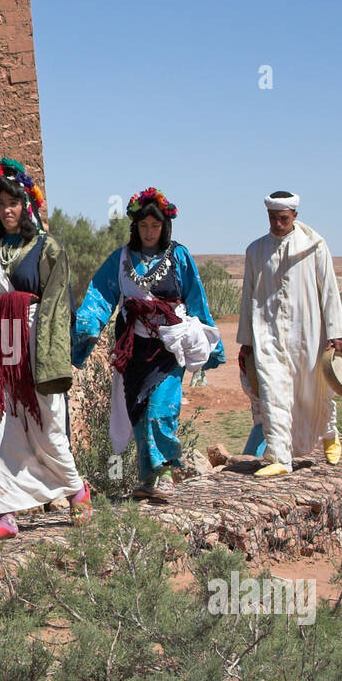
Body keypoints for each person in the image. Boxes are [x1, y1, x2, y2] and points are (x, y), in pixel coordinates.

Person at [73, 187, 224, 499]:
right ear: (135, 227)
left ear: (165, 227)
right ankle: (147, 479)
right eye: (143, 226)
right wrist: (88, 324)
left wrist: (212, 346)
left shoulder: (179, 257)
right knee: (139, 410)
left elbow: (197, 298)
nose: (149, 232)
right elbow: (101, 293)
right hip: (135, 348)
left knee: (160, 408)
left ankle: (166, 472)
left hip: (170, 346)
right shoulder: (122, 258)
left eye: (155, 226)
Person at [0, 158, 90, 539]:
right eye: (1, 203)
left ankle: (76, 491)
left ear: (27, 205)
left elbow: (58, 304)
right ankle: (6, 515)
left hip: (36, 340)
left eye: (14, 202)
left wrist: (52, 359)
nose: (7, 209)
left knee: (47, 422)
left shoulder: (47, 247)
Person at [237, 191, 342, 478]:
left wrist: (335, 332)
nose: (277, 223)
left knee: (312, 389)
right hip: (267, 332)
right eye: (272, 218)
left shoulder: (315, 246)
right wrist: (247, 341)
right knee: (272, 392)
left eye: (283, 218)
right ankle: (280, 458)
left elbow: (330, 291)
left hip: (308, 331)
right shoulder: (255, 251)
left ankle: (329, 433)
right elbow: (248, 296)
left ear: (294, 216)